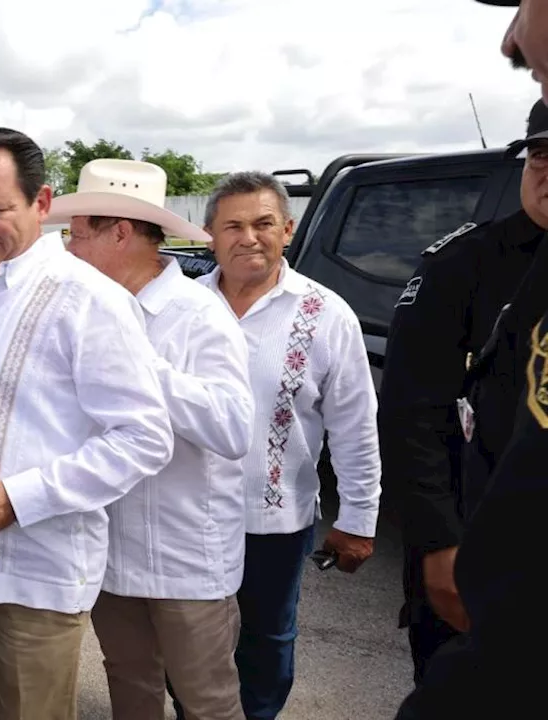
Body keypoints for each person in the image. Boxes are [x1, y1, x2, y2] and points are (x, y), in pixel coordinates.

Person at [0, 128, 174, 720]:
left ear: (41, 203)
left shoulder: (88, 298)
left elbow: (144, 436)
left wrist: (17, 498)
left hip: (35, 580)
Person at [51, 159, 253, 720]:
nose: (69, 247)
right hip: (111, 555)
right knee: (130, 690)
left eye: (78, 232)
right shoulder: (88, 311)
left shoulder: (197, 315)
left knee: (208, 701)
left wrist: (142, 370)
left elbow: (233, 428)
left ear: (121, 232)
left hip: (187, 560)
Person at [394, 1, 548, 717]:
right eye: (540, 155)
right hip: (467, 543)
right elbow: (413, 412)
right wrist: (437, 545)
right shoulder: (466, 264)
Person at [197, 171, 381, 720]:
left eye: (263, 223)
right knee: (190, 644)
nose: (247, 237)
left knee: (267, 642)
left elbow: (355, 425)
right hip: (185, 515)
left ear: (288, 230)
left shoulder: (326, 314)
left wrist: (360, 518)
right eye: (232, 225)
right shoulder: (181, 307)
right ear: (210, 234)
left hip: (273, 521)